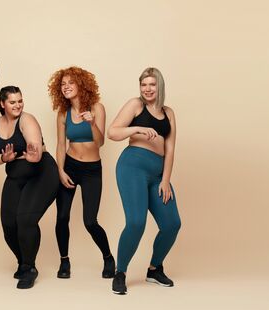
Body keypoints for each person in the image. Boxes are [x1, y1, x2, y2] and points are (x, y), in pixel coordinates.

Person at [107, 68, 181, 294]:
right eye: (144, 85)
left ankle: (154, 269)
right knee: (136, 222)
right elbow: (113, 132)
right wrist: (138, 127)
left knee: (171, 224)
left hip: (158, 174)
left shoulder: (169, 112)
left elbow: (170, 148)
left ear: (160, 86)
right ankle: (120, 273)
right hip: (132, 167)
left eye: (152, 85)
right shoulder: (135, 105)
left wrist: (166, 179)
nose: (147, 89)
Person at [0, 86, 59, 289]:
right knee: (8, 224)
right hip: (16, 175)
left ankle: (30, 267)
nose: (18, 105)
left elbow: (35, 148)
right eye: (12, 102)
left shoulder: (27, 119)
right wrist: (3, 157)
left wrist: (34, 154)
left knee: (25, 219)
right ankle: (23, 260)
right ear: (2, 104)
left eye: (20, 101)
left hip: (41, 173)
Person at [48, 67, 115, 279]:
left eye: (70, 83)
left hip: (92, 171)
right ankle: (64, 261)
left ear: (81, 85)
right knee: (62, 217)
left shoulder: (97, 108)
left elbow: (101, 142)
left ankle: (108, 257)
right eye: (62, 84)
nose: (66, 86)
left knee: (90, 221)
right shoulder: (62, 113)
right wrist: (60, 170)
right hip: (70, 166)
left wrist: (92, 123)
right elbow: (60, 144)